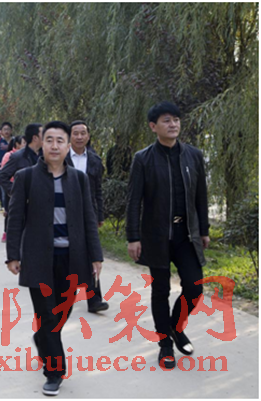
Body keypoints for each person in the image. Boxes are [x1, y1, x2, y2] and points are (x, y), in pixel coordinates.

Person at [6, 120, 103, 396]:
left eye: (60, 140)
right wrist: (13, 255)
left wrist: (96, 256)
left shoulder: (79, 179)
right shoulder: (26, 177)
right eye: (49, 140)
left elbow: (89, 218)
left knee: (61, 313)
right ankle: (54, 371)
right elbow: (15, 219)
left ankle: (42, 339)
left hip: (71, 258)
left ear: (68, 145)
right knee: (47, 314)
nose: (54, 145)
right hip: (39, 258)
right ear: (41, 143)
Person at [126, 101, 210, 370]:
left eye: (176, 119)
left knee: (194, 287)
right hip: (157, 236)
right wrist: (133, 237)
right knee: (160, 290)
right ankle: (165, 344)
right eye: (166, 120)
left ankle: (176, 326)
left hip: (186, 235)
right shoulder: (143, 158)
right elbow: (134, 201)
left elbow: (201, 196)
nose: (173, 124)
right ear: (153, 127)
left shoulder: (193, 155)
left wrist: (204, 230)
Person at [65, 120, 109, 314]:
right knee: (68, 253)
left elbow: (98, 190)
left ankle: (94, 299)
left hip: (88, 212)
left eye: (83, 133)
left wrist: (99, 214)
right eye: (75, 133)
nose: (79, 137)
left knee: (92, 254)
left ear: (88, 136)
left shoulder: (95, 160)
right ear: (70, 136)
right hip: (65, 212)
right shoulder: (61, 158)